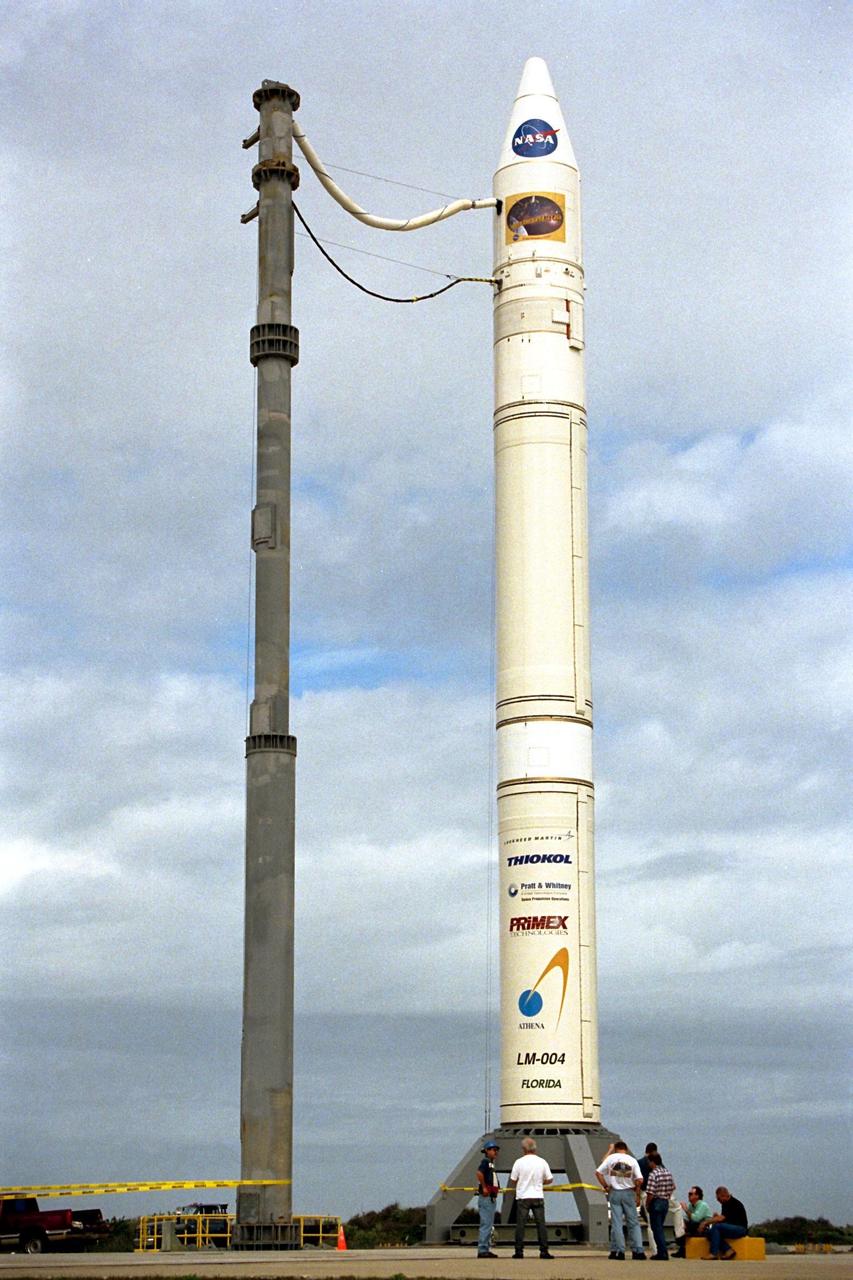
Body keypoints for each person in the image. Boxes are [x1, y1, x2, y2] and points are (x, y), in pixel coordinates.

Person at [596, 1140, 646, 1260]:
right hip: (629, 1192)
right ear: (626, 1149)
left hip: (615, 1193)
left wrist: (606, 1186)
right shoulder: (632, 1160)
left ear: (615, 1149)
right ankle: (638, 1250)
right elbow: (640, 1180)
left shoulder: (611, 1158)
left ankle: (619, 1251)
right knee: (633, 1223)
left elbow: (598, 1173)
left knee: (617, 1223)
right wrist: (637, 1195)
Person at [508, 1137, 554, 1259]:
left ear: (523, 1149)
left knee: (520, 1225)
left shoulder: (519, 1162)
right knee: (541, 1224)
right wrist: (540, 1182)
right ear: (535, 1148)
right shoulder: (542, 1162)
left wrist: (522, 1182)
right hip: (537, 1195)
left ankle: (519, 1251)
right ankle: (544, 1251)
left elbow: (513, 1180)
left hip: (523, 1197)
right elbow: (550, 1179)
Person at [645, 1152, 676, 1260]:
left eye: (649, 1162)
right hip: (665, 1202)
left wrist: (647, 1204)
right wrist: (667, 1195)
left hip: (656, 1202)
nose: (648, 1164)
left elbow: (650, 1192)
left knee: (656, 1229)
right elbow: (673, 1186)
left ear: (652, 1162)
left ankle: (662, 1252)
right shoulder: (667, 1172)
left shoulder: (653, 1174)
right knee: (660, 1227)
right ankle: (663, 1252)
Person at [703, 1187, 748, 1261]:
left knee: (716, 1227)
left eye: (718, 1198)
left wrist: (706, 1222)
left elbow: (721, 1218)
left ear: (723, 1195)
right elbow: (726, 1218)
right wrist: (717, 1217)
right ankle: (728, 1250)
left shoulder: (733, 1203)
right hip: (732, 1227)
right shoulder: (725, 1204)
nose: (718, 1201)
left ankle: (713, 1253)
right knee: (709, 1233)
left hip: (740, 1229)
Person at [476, 1140, 501, 1258]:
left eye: (496, 1150)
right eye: (494, 1150)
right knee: (486, 1223)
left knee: (488, 1223)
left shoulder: (491, 1164)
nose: (496, 1152)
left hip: (491, 1197)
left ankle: (485, 1247)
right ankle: (482, 1249)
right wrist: (484, 1187)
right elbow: (479, 1173)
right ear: (487, 1151)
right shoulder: (485, 1162)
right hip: (487, 1197)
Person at [674, 1185, 712, 1256]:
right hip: (696, 1226)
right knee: (679, 1225)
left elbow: (696, 1219)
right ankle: (682, 1248)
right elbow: (686, 1218)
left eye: (690, 1194)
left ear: (697, 1196)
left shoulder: (702, 1205)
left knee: (692, 1224)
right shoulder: (691, 1205)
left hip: (705, 1228)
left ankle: (683, 1247)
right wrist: (683, 1222)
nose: (688, 1195)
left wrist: (686, 1209)